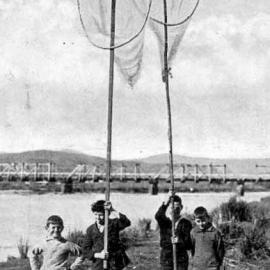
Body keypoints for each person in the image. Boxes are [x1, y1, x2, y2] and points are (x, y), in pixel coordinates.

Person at [79, 200, 131, 270]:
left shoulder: (114, 224)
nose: (98, 217)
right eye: (95, 214)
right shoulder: (91, 229)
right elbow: (85, 249)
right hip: (99, 264)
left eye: (101, 215)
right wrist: (98, 255)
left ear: (107, 214)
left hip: (116, 263)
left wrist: (112, 209)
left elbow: (126, 222)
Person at [155, 193, 192, 270]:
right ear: (168, 208)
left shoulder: (186, 223)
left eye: (177, 208)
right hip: (166, 258)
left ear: (181, 207)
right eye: (172, 208)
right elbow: (158, 215)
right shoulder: (164, 222)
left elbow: (189, 245)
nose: (175, 210)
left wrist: (180, 241)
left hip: (181, 259)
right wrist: (166, 202)